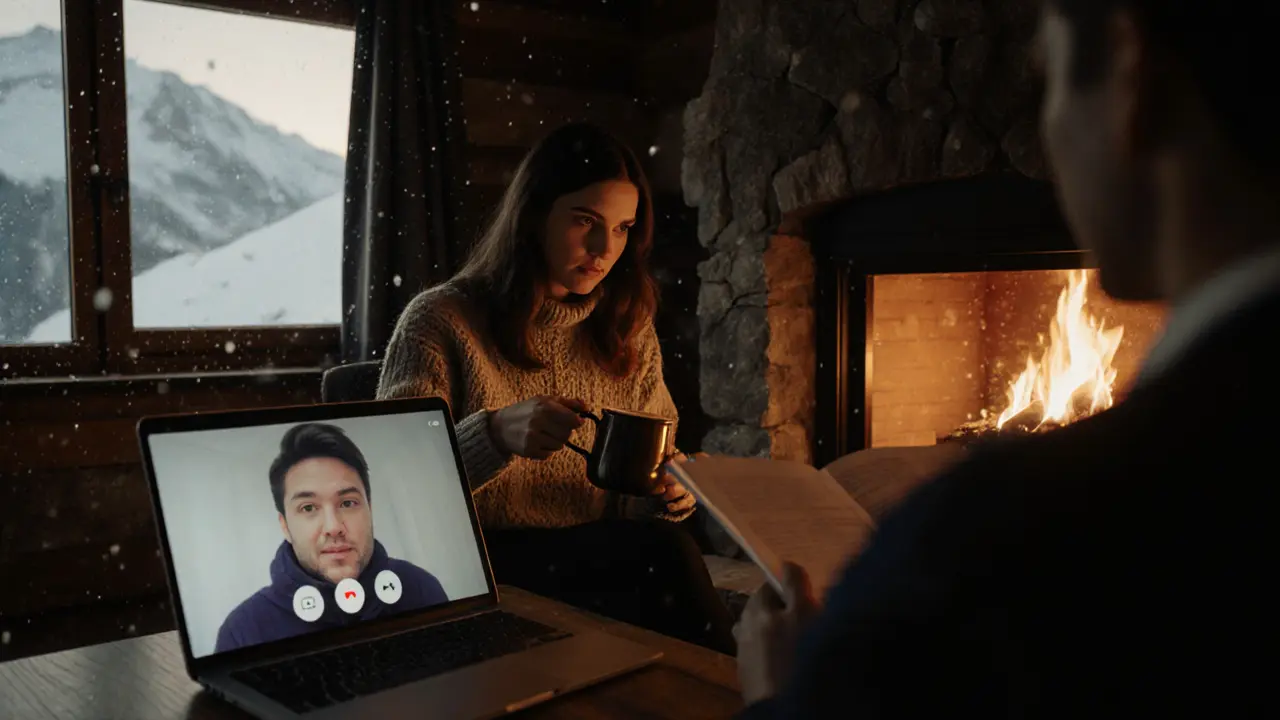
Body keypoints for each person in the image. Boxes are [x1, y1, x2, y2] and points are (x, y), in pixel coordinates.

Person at [734, 0, 1280, 716]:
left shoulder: (1000, 548)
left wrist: (787, 695)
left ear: (1129, 77)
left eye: (1050, 81)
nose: (1051, 138)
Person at [377, 122, 736, 654]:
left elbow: (632, 504)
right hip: (474, 560)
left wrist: (666, 494)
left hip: (594, 556)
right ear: (534, 216)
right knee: (666, 562)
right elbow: (385, 488)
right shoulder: (441, 320)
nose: (603, 248)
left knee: (667, 545)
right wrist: (493, 436)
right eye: (586, 221)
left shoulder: (627, 326)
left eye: (622, 228)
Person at [215, 423, 448, 653]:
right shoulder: (243, 632)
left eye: (347, 503)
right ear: (285, 526)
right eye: (308, 508)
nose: (334, 527)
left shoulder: (421, 588)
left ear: (370, 510)